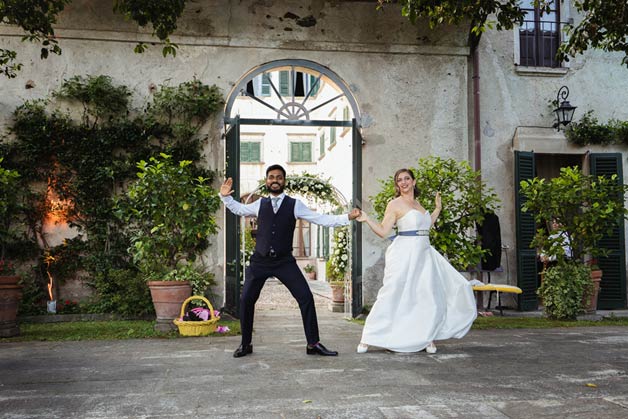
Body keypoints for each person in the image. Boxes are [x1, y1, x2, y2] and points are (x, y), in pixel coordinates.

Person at [220, 164, 360, 358]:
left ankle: (313, 344)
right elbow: (239, 209)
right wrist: (226, 197)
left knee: (306, 297)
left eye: (278, 177)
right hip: (260, 261)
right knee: (246, 300)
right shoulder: (259, 204)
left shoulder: (295, 205)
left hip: (284, 262)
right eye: (271, 177)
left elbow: (320, 219)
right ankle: (245, 344)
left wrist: (347, 217)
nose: (274, 180)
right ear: (266, 181)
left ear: (284, 181)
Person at [356, 168, 477, 354]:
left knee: (425, 295)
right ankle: (370, 336)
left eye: (406, 179)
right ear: (397, 185)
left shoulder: (419, 204)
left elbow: (425, 226)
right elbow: (382, 231)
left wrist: (437, 209)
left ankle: (425, 337)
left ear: (413, 181)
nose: (403, 182)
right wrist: (367, 220)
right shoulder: (394, 204)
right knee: (392, 292)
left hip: (424, 253)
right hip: (404, 253)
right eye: (399, 180)